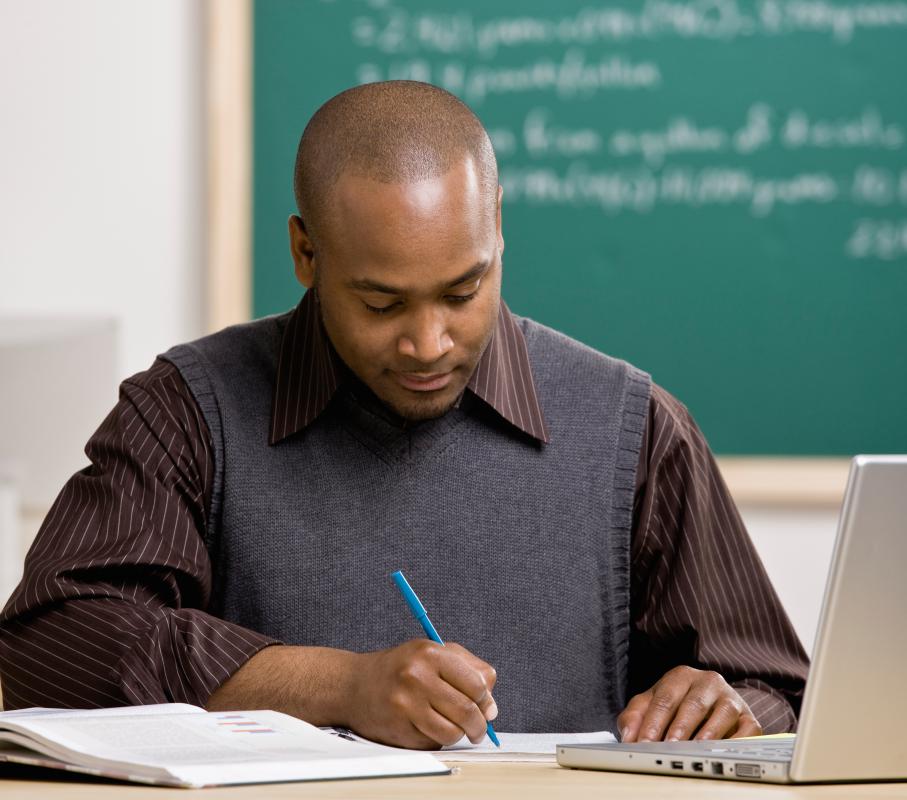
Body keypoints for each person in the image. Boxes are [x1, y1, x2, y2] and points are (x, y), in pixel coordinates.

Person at [0, 81, 808, 749]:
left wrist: (730, 709)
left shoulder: (636, 428)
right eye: (381, 302)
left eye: (462, 292)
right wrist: (338, 685)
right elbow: (51, 643)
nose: (428, 343)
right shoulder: (187, 409)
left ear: (498, 233)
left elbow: (780, 689)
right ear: (305, 254)